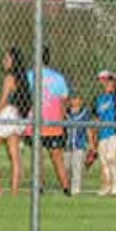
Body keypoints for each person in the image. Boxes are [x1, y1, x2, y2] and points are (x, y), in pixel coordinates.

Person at [0, 47, 30, 196]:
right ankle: (14, 192)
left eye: (7, 59)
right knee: (14, 156)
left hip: (7, 115)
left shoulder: (10, 78)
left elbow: (3, 101)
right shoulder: (22, 78)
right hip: (17, 117)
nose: (4, 61)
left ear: (13, 61)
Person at [26, 48, 72, 195]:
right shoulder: (58, 78)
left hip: (35, 122)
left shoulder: (29, 76)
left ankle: (39, 187)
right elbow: (65, 99)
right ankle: (66, 188)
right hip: (54, 124)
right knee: (57, 157)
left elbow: (23, 97)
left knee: (37, 156)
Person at [93, 70, 116, 196]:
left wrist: (112, 77)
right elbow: (96, 117)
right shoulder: (99, 99)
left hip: (113, 132)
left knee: (111, 157)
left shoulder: (115, 97)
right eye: (105, 82)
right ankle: (106, 185)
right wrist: (94, 136)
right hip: (102, 133)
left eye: (109, 82)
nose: (107, 84)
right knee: (103, 160)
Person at [65, 91, 94, 196]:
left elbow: (88, 129)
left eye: (77, 98)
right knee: (66, 167)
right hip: (66, 145)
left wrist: (91, 144)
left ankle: (76, 188)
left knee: (76, 167)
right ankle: (66, 186)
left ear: (81, 101)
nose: (74, 101)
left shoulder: (85, 113)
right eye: (72, 99)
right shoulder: (65, 112)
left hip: (79, 144)